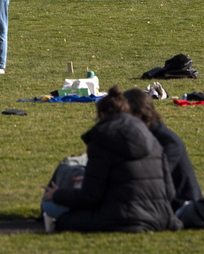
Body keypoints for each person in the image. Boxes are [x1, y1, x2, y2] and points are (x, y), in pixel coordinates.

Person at [41, 86, 179, 234]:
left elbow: (90, 197)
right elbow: (169, 192)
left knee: (50, 206)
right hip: (160, 219)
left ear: (102, 115)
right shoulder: (152, 137)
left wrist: (57, 194)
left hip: (120, 219)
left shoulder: (102, 139)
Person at [124, 88, 201, 209]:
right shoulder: (144, 136)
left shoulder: (168, 142)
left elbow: (155, 177)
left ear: (138, 115)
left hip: (182, 206)